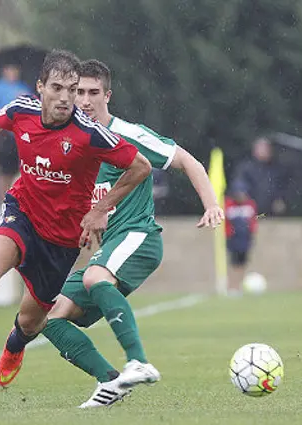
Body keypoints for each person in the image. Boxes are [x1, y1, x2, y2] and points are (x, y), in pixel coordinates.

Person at [0, 50, 152, 386]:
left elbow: (141, 166)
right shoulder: (23, 110)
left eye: (71, 89)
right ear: (40, 88)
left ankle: (14, 345)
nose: (66, 97)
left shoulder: (90, 133)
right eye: (57, 88)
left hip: (61, 240)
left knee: (30, 322)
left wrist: (98, 210)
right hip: (21, 214)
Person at [36, 59, 224, 408]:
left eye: (94, 92)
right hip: (109, 247)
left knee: (95, 277)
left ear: (108, 95)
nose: (86, 100)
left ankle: (138, 362)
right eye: (79, 92)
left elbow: (189, 162)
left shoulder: (128, 135)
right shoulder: (71, 142)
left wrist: (211, 204)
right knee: (45, 315)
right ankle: (109, 382)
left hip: (140, 236)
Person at [224, 181, 258, 295]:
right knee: (233, 263)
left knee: (242, 263)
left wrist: (252, 235)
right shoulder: (228, 204)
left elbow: (253, 222)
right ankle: (231, 287)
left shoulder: (250, 205)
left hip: (245, 239)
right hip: (233, 239)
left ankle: (239, 286)